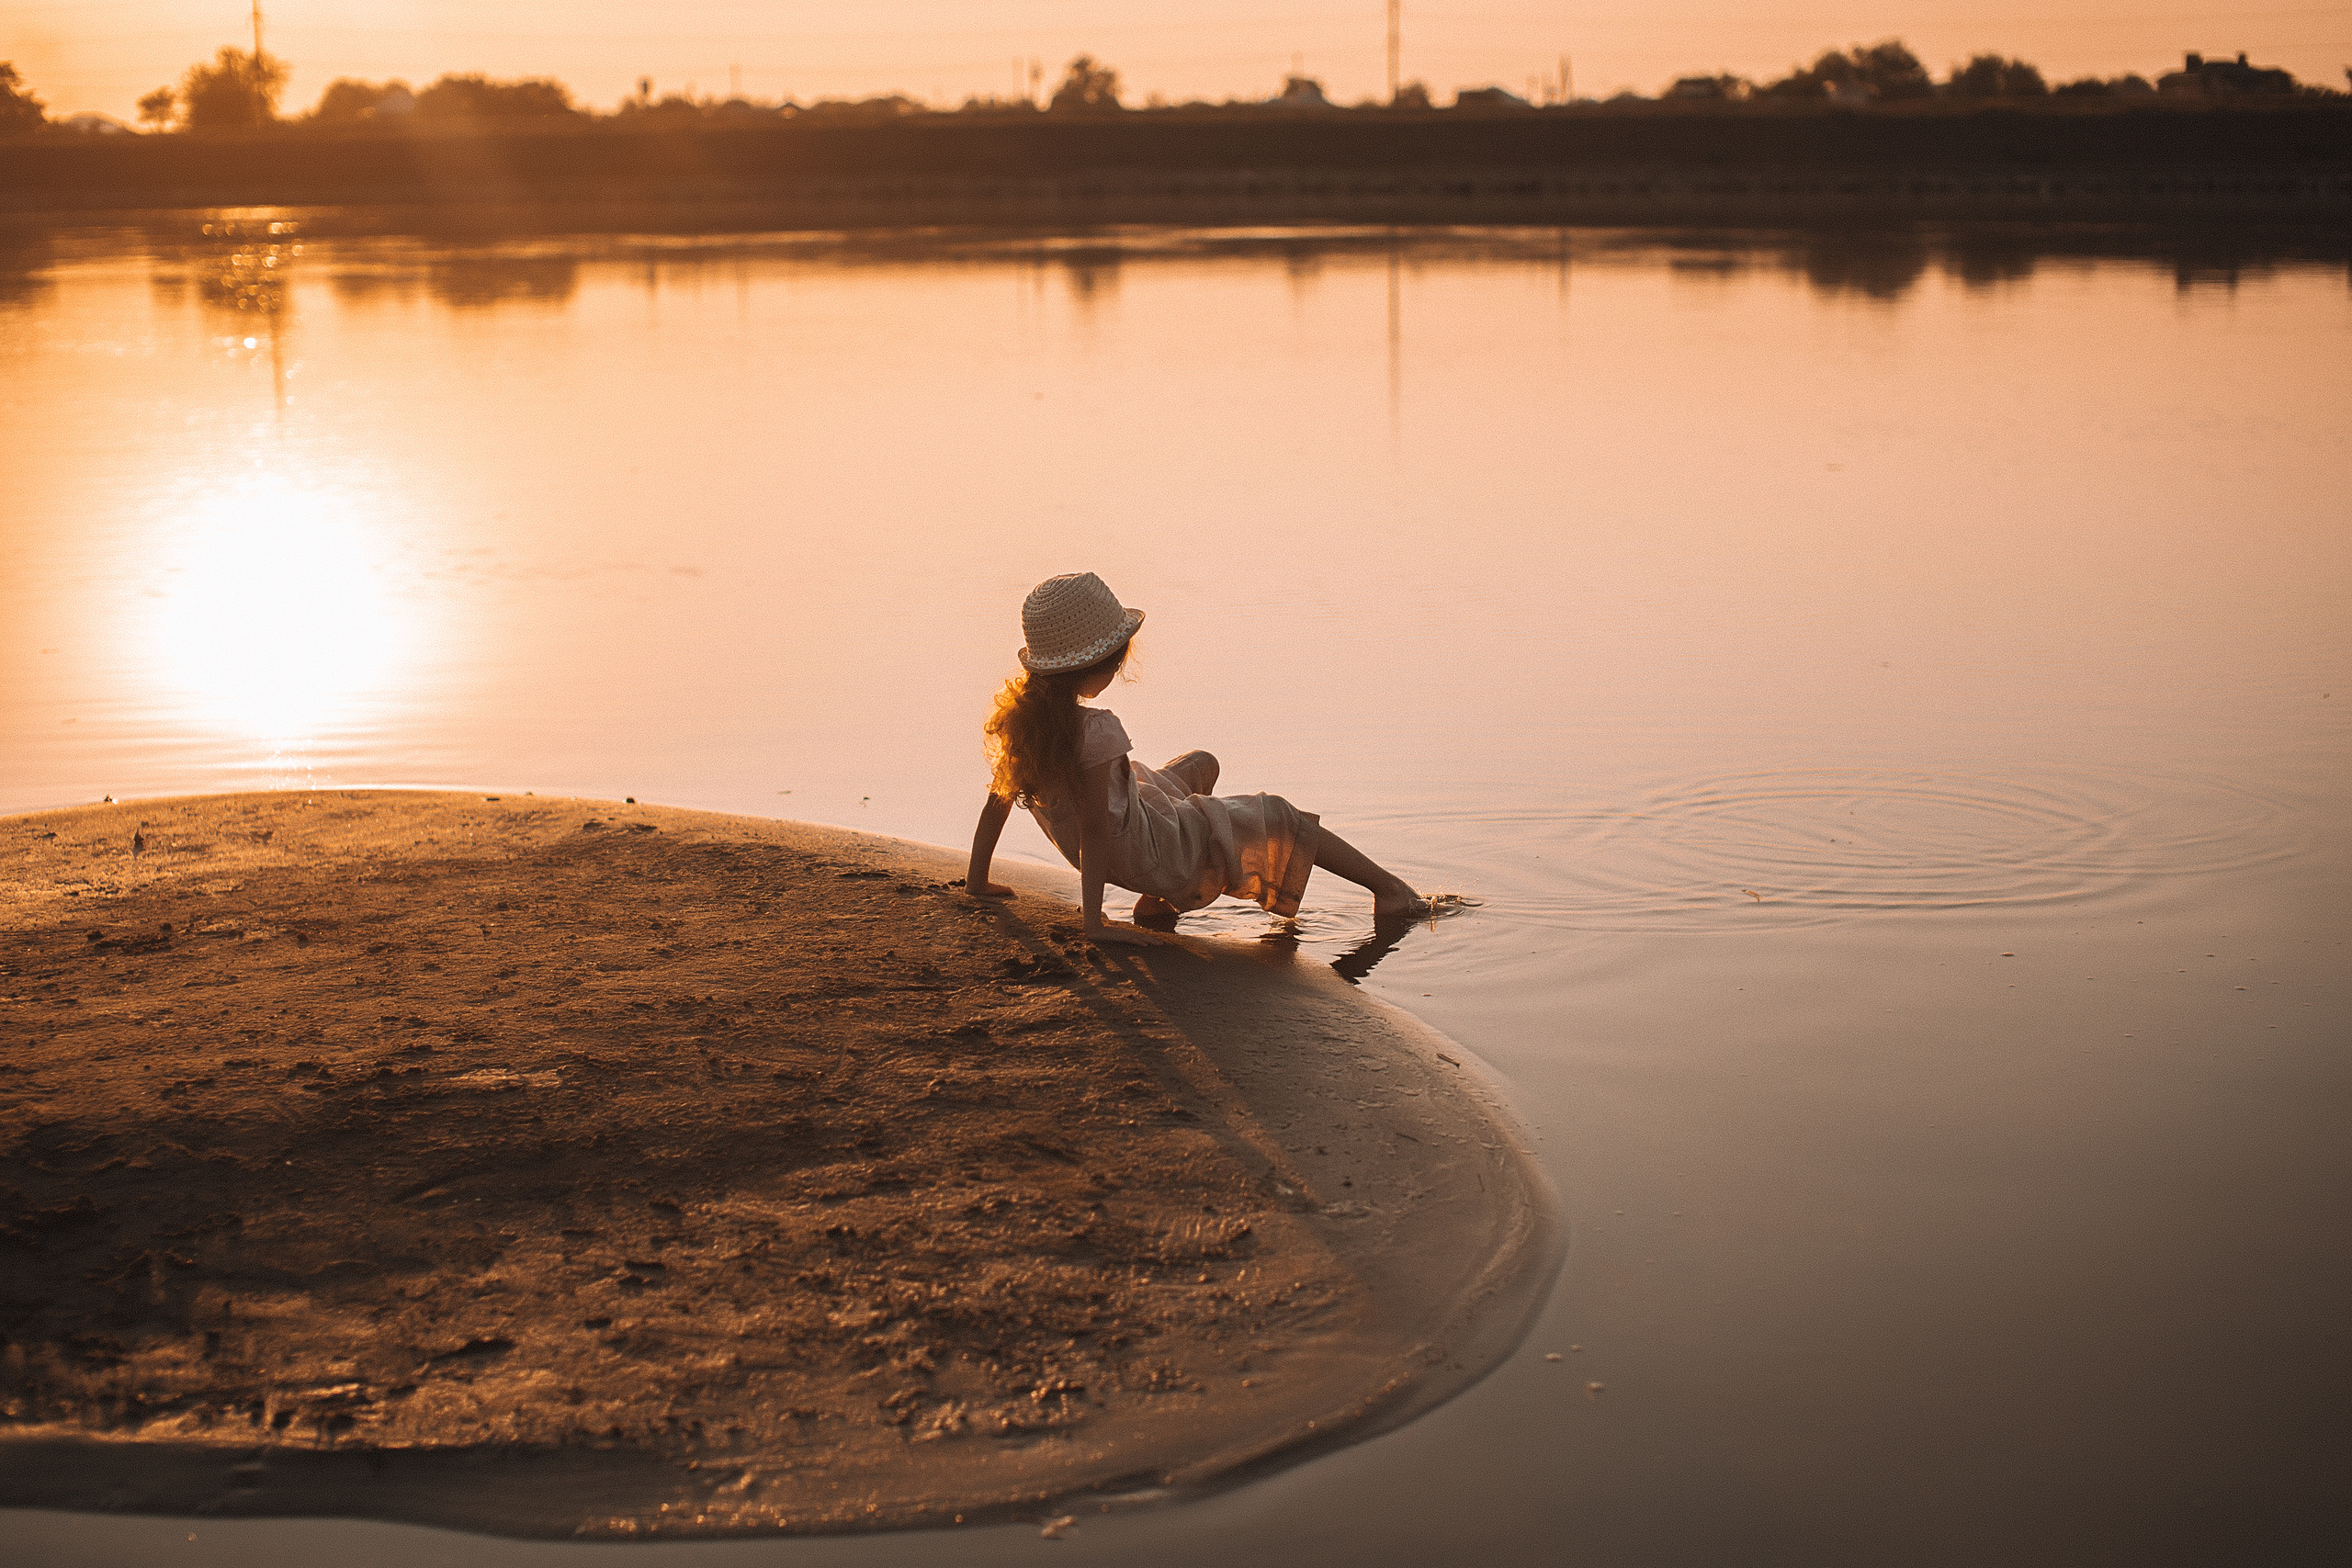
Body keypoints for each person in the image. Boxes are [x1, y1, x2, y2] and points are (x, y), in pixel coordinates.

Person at [965, 571, 1426, 946]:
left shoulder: (1027, 724)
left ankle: (1159, 900)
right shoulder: (1097, 730)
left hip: (1131, 834)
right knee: (1276, 815)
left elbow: (997, 800)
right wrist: (1094, 924)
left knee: (1200, 763)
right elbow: (1094, 828)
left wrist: (976, 881)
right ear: (1107, 660)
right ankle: (1389, 891)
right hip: (1147, 853)